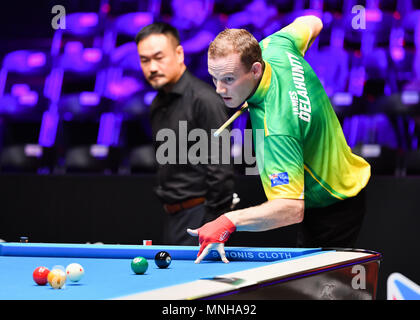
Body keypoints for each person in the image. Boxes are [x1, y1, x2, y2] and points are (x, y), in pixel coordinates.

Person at [187, 15, 371, 263]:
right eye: (214, 78)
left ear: (255, 69)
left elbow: (291, 209)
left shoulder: (276, 127)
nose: (219, 89)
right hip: (343, 179)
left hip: (333, 205)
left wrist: (229, 220)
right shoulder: (276, 46)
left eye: (229, 79)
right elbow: (313, 21)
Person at [135, 22, 235, 245]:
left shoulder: (204, 100)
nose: (152, 67)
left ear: (179, 54)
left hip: (201, 217)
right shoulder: (158, 102)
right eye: (145, 60)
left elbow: (221, 171)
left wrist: (212, 225)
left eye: (159, 57)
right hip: (172, 216)